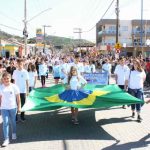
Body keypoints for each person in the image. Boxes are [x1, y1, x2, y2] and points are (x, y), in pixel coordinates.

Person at [0, 72, 20, 147]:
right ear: (2, 79)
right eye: (4, 79)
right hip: (4, 108)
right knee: (5, 122)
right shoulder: (1, 87)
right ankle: (6, 139)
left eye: (7, 78)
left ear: (10, 78)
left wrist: (19, 107)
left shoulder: (14, 86)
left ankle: (14, 133)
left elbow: (18, 98)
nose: (6, 80)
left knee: (13, 122)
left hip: (13, 107)